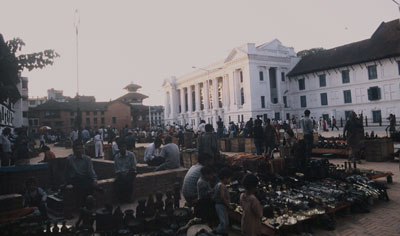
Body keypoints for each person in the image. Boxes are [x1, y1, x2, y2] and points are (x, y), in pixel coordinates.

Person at [213, 167, 233, 235]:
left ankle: (223, 233)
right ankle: (217, 232)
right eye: (230, 178)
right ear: (225, 178)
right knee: (223, 222)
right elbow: (222, 197)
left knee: (226, 222)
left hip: (221, 205)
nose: (230, 180)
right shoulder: (222, 186)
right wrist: (229, 205)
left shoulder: (218, 184)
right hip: (221, 206)